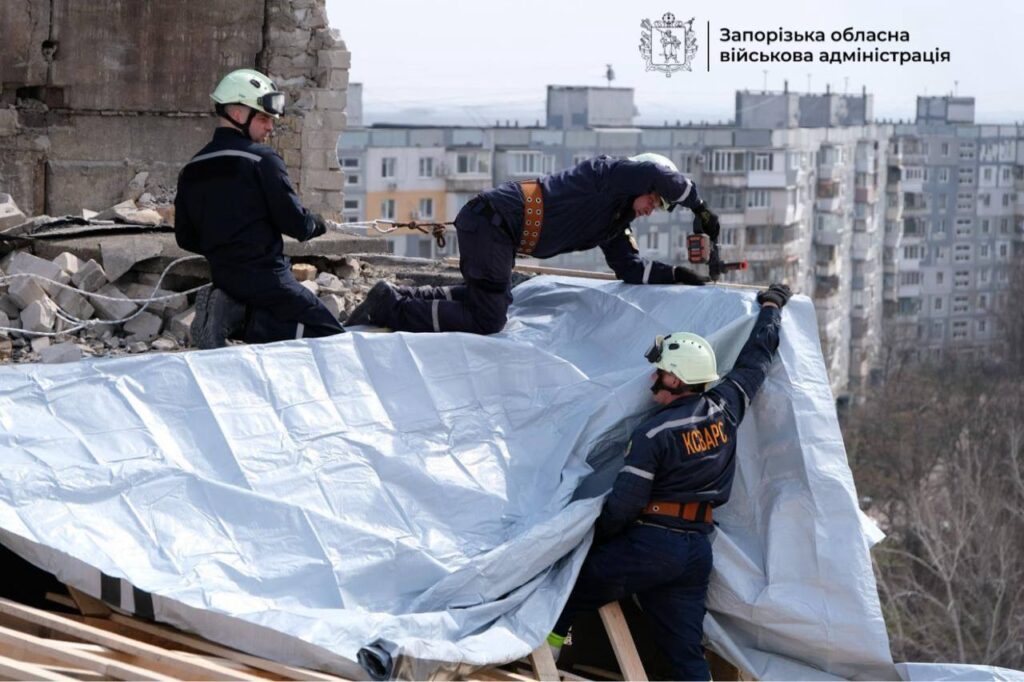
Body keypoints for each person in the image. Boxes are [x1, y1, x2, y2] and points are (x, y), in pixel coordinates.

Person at [546, 283, 792, 680]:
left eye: (660, 372)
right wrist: (771, 308)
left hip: (653, 545)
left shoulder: (653, 433)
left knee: (569, 583)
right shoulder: (726, 408)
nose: (652, 379)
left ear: (677, 380)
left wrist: (591, 538)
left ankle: (545, 654)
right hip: (695, 552)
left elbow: (625, 504)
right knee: (684, 654)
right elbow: (756, 360)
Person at [346, 153, 721, 334]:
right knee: (489, 319)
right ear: (642, 185)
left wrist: (678, 275)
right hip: (494, 222)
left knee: (486, 299)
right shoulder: (608, 176)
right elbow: (655, 173)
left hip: (498, 231)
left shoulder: (615, 220)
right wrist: (699, 206)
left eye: (659, 207)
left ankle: (396, 297)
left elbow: (630, 269)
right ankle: (391, 309)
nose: (652, 210)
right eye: (654, 200)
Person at [174, 68, 344, 349]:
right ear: (237, 114)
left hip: (224, 277)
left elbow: (185, 238)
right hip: (269, 278)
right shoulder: (262, 159)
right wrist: (318, 223)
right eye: (264, 118)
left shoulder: (191, 168)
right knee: (331, 336)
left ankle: (231, 310)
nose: (270, 128)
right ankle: (239, 319)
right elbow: (297, 225)